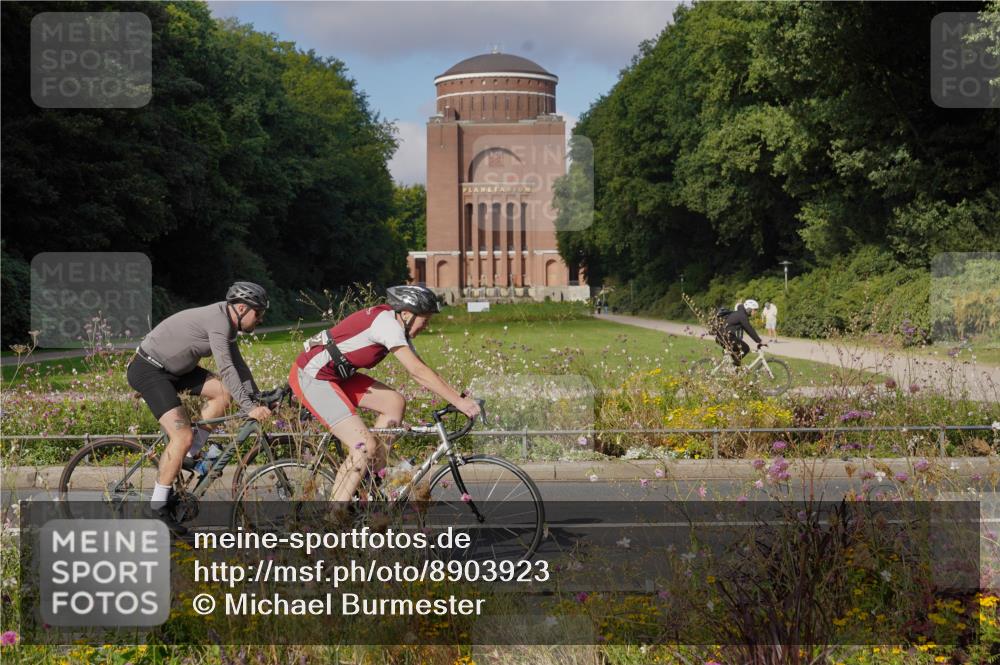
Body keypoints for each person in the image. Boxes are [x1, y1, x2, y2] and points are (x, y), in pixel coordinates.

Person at [289, 285, 480, 503]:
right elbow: (416, 372)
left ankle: (369, 486)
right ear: (406, 314)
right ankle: (334, 521)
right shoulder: (386, 325)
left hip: (337, 376)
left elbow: (423, 369)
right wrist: (459, 402)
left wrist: (460, 398)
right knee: (364, 447)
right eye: (424, 320)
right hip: (313, 376)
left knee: (394, 403)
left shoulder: (396, 326)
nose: (426, 326)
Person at [127, 281, 273, 535]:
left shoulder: (228, 323)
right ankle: (159, 506)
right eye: (258, 313)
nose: (260, 319)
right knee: (181, 435)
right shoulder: (218, 323)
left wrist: (257, 397)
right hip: (150, 369)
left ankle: (191, 453)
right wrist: (249, 407)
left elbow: (239, 366)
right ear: (241, 308)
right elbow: (226, 368)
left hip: (176, 369)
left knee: (223, 394)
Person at [716, 299, 766, 366]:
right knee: (745, 348)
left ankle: (734, 367)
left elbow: (746, 330)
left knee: (738, 350)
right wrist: (759, 341)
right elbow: (749, 329)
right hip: (725, 337)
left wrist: (758, 340)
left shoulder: (740, 313)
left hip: (723, 337)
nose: (755, 312)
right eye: (755, 310)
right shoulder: (742, 315)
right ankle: (734, 366)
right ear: (749, 309)